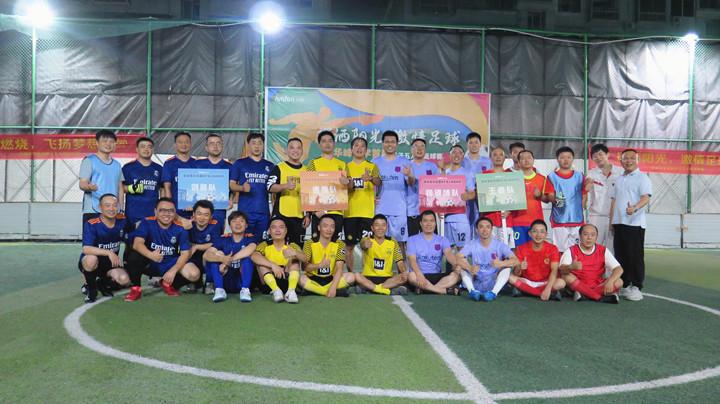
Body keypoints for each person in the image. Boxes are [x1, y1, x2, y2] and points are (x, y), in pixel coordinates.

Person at [124, 198, 201, 301]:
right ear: (156, 211)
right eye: (162, 210)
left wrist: (173, 270)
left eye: (170, 211)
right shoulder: (147, 222)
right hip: (150, 261)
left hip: (170, 262)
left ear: (175, 213)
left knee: (194, 274)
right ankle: (136, 289)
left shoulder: (180, 228)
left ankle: (167, 283)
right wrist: (151, 255)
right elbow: (137, 244)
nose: (167, 214)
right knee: (134, 256)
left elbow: (185, 253)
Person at [610, 149, 652, 301]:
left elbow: (646, 198)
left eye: (632, 158)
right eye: (625, 158)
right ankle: (625, 285)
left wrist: (634, 208)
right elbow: (614, 201)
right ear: (621, 161)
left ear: (637, 160)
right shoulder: (619, 179)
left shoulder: (643, 178)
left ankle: (636, 286)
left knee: (635, 256)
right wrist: (611, 222)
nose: (628, 161)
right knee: (621, 255)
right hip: (619, 223)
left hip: (634, 224)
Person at [79, 193, 131, 303]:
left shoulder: (122, 220)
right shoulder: (92, 224)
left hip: (110, 264)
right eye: (107, 205)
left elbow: (132, 235)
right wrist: (109, 253)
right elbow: (86, 249)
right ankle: (92, 290)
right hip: (93, 262)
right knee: (91, 259)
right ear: (100, 208)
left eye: (114, 205)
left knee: (124, 280)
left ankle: (102, 283)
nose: (111, 209)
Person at [456, 217, 519, 302]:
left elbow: (515, 260)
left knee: (507, 268)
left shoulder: (499, 245)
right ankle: (472, 291)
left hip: (494, 281)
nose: (485, 230)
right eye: (481, 227)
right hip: (477, 281)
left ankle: (493, 293)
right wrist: (469, 268)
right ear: (477, 230)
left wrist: (501, 263)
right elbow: (458, 258)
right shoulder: (471, 244)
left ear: (491, 229)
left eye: (488, 227)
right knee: (461, 265)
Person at [558, 224, 624, 304]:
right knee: (566, 276)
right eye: (585, 234)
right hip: (578, 284)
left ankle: (584, 294)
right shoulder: (571, 250)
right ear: (580, 236)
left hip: (597, 285)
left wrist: (610, 281)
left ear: (596, 237)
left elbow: (618, 269)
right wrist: (571, 267)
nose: (589, 238)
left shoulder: (602, 250)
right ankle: (598, 297)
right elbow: (561, 270)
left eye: (592, 235)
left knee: (619, 281)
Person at [203, 211, 258, 303]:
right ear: (229, 225)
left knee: (247, 259)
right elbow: (206, 255)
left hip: (241, 281)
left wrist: (227, 262)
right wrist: (221, 259)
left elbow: (250, 249)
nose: (238, 224)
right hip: (224, 280)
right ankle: (219, 290)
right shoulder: (222, 239)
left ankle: (245, 290)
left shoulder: (250, 239)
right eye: (234, 221)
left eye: (241, 221)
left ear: (246, 225)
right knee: (215, 257)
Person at [344, 136, 381, 272]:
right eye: (356, 145)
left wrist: (370, 178)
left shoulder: (372, 166)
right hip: (350, 213)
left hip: (367, 213)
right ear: (351, 149)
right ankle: (351, 275)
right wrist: (350, 184)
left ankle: (367, 274)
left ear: (366, 150)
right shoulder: (345, 167)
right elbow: (344, 188)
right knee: (349, 246)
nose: (359, 148)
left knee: (367, 245)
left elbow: (379, 182)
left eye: (362, 146)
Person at [230, 132, 274, 243]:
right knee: (244, 243)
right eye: (254, 143)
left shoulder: (270, 166)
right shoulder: (239, 163)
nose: (257, 146)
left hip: (263, 213)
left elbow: (273, 191)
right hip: (245, 213)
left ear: (263, 145)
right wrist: (242, 188)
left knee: (262, 244)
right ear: (248, 145)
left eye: (260, 143)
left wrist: (273, 212)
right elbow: (232, 185)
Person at [266, 137, 310, 246]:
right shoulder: (279, 168)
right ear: (286, 150)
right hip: (281, 214)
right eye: (292, 148)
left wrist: (308, 215)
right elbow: (269, 187)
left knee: (297, 248)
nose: (295, 151)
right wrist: (285, 186)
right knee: (278, 247)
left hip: (299, 216)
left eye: (298, 148)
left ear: (302, 151)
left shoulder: (307, 170)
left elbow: (310, 195)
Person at [372, 130, 413, 247]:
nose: (390, 144)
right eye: (387, 142)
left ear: (397, 144)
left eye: (392, 142)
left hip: (399, 210)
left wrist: (409, 175)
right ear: (382, 143)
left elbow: (411, 183)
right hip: (380, 209)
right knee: (379, 243)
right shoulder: (375, 162)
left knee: (400, 244)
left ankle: (401, 261)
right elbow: (371, 185)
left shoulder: (404, 162)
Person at [306, 130, 350, 241]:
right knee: (316, 245)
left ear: (334, 144)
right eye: (324, 141)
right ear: (319, 144)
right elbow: (308, 188)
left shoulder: (342, 164)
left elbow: (349, 187)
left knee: (334, 245)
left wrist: (347, 182)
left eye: (330, 141)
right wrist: (311, 213)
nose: (327, 144)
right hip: (319, 212)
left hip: (337, 212)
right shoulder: (313, 163)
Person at [251, 217, 306, 303]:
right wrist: (273, 265)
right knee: (261, 264)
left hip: (287, 281)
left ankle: (291, 292)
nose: (277, 230)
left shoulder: (291, 245)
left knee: (295, 262)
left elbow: (305, 258)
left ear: (286, 230)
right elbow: (254, 256)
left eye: (281, 227)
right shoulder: (264, 244)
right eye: (274, 227)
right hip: (267, 284)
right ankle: (276, 290)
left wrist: (295, 253)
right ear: (269, 231)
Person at [300, 214, 356, 298]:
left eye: (332, 226)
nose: (329, 230)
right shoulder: (309, 243)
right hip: (313, 278)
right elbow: (305, 267)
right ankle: (326, 291)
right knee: (300, 278)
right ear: (319, 228)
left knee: (351, 276)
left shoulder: (340, 244)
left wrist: (333, 286)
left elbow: (339, 268)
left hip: (331, 279)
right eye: (325, 226)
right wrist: (319, 265)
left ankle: (315, 290)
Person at [406, 210, 460, 295]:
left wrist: (456, 265)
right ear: (421, 223)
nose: (428, 224)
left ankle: (426, 289)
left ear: (435, 223)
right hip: (419, 275)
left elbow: (449, 255)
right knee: (411, 276)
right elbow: (412, 260)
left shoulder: (442, 240)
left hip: (437, 276)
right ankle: (442, 290)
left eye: (431, 221)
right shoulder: (412, 239)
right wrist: (419, 274)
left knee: (456, 275)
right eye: (425, 221)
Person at [508, 220, 564, 301]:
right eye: (535, 231)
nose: (538, 235)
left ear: (546, 234)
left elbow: (554, 270)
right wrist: (520, 267)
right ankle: (540, 293)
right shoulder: (521, 248)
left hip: (546, 282)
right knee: (510, 277)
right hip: (527, 281)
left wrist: (548, 288)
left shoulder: (553, 249)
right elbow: (516, 274)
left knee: (561, 283)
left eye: (542, 232)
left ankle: (525, 290)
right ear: (529, 233)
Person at [79, 130, 125, 227]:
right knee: (91, 237)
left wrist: (121, 208)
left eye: (111, 141)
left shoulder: (117, 164)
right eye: (105, 141)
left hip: (112, 211)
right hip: (93, 210)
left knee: (112, 237)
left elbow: (120, 188)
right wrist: (89, 187)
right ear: (97, 143)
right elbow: (82, 184)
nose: (108, 144)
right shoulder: (89, 160)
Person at [354, 214, 409, 295]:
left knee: (405, 276)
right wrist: (365, 245)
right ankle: (387, 290)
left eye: (383, 225)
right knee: (356, 276)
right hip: (368, 277)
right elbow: (363, 244)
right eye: (377, 225)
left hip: (387, 279)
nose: (380, 228)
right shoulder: (366, 239)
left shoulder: (392, 242)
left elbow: (400, 262)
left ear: (386, 227)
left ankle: (371, 289)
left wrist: (404, 273)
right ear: (372, 228)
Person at [510, 150, 555, 247]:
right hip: (517, 222)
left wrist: (539, 196)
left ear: (533, 160)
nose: (526, 160)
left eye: (529, 157)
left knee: (535, 249)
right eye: (523, 158)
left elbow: (547, 200)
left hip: (536, 222)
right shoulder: (512, 179)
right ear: (518, 162)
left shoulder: (542, 178)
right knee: (518, 250)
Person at [546, 146, 585, 252]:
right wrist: (559, 201)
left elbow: (584, 194)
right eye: (562, 157)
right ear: (557, 159)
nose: (566, 160)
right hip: (560, 219)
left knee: (576, 250)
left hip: (576, 219)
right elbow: (550, 196)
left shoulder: (580, 176)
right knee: (559, 250)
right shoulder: (551, 177)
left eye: (569, 157)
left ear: (573, 158)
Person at [586, 144, 623, 252]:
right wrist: (587, 185)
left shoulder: (620, 173)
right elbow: (586, 193)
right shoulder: (591, 174)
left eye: (600, 154)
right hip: (596, 216)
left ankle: (610, 265)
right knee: (593, 247)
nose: (598, 158)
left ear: (607, 154)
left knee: (611, 249)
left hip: (615, 217)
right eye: (594, 156)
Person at [181, 200, 223, 291]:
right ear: (193, 214)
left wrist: (196, 246)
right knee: (184, 253)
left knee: (216, 252)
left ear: (211, 217)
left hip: (206, 254)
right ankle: (194, 281)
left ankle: (209, 282)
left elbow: (215, 243)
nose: (202, 218)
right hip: (192, 255)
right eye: (199, 214)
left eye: (206, 215)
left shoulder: (216, 224)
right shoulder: (188, 224)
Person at [122, 136, 162, 231]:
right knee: (132, 240)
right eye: (143, 146)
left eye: (149, 147)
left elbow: (163, 189)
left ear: (152, 149)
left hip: (152, 214)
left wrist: (162, 210)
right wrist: (131, 188)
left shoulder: (159, 168)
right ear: (137, 149)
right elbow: (120, 188)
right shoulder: (128, 167)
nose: (146, 149)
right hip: (132, 215)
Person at [194, 133, 233, 227]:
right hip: (199, 210)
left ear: (222, 146)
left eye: (218, 143)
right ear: (206, 147)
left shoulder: (230, 167)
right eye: (212, 143)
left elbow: (232, 188)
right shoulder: (197, 164)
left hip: (219, 210)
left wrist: (231, 200)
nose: (215, 146)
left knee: (217, 234)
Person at [443, 144, 476, 249]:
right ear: (449, 155)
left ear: (462, 156)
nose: (457, 155)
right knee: (447, 251)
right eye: (454, 152)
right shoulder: (443, 173)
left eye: (460, 153)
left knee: (462, 250)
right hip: (444, 218)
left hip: (460, 217)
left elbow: (473, 193)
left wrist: (465, 196)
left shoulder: (467, 173)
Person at [480, 146, 514, 247]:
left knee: (506, 249)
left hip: (506, 219)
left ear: (505, 158)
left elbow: (516, 197)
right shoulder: (484, 175)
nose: (498, 157)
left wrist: (510, 210)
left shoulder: (511, 175)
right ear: (490, 158)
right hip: (489, 219)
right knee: (490, 249)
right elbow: (481, 197)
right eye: (495, 155)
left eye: (501, 155)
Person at [407, 138, 439, 237]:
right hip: (412, 210)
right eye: (416, 146)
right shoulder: (407, 166)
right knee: (411, 241)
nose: (419, 149)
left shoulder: (432, 166)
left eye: (422, 146)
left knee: (432, 240)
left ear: (425, 150)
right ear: (411, 149)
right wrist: (411, 176)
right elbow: (410, 183)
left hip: (428, 210)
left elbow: (438, 186)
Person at [462, 132, 492, 236]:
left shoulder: (488, 162)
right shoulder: (462, 161)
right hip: (467, 197)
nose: (473, 145)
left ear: (480, 144)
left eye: (476, 142)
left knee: (482, 221)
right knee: (467, 221)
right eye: (471, 142)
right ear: (467, 145)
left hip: (483, 197)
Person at [161, 131, 196, 219]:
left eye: (186, 142)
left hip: (194, 211)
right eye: (180, 142)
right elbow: (167, 188)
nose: (184, 144)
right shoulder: (169, 163)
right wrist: (170, 209)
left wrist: (196, 206)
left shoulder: (197, 163)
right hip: (176, 211)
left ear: (190, 144)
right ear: (175, 145)